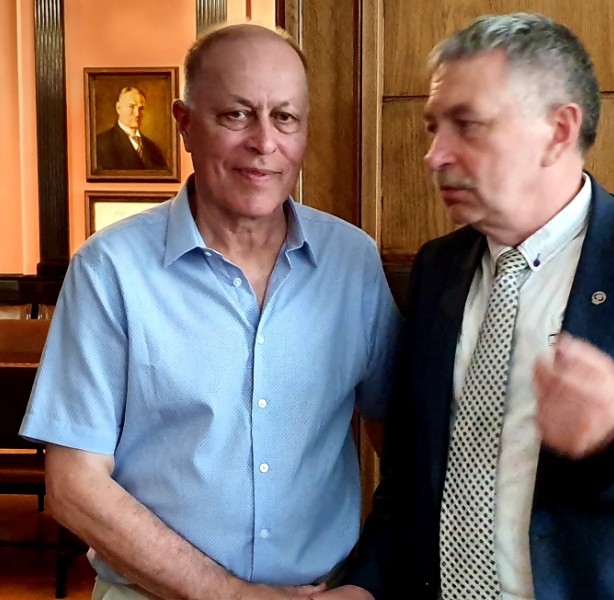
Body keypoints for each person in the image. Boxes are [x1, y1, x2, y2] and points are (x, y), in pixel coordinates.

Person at [331, 12, 614, 600]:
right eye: (434, 128)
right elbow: (412, 474)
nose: (434, 155)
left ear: (558, 131)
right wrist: (367, 584)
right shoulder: (438, 269)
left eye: (467, 126)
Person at [21, 23, 400, 600]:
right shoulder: (111, 268)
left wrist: (373, 580)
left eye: (285, 118)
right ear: (184, 124)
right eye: (236, 115)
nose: (264, 143)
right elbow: (74, 486)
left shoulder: (353, 261)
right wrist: (233, 596)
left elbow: (402, 445)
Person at [95, 86, 168, 170]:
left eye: (141, 108)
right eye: (131, 107)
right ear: (118, 108)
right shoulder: (101, 145)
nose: (137, 114)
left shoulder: (153, 149)